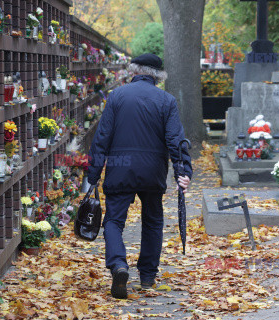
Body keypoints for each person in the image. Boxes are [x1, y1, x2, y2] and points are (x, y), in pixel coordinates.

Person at [87, 53, 193, 299]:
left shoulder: (117, 97)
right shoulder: (167, 100)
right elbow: (175, 140)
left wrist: (93, 174)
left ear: (134, 70)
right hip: (153, 170)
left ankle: (118, 265)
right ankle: (147, 276)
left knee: (113, 221)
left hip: (120, 167)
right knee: (153, 220)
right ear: (158, 76)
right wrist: (183, 171)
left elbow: (101, 138)